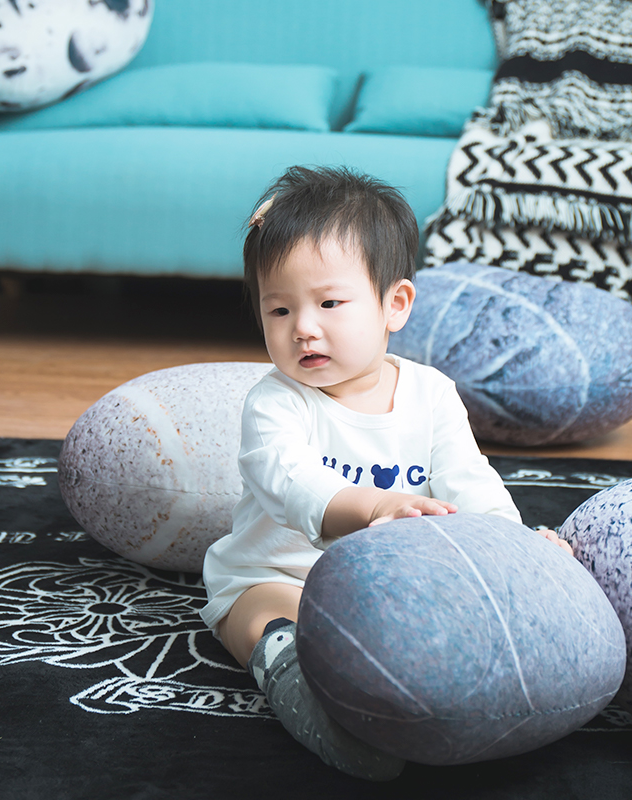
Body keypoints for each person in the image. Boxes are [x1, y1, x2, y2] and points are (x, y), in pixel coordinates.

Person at [199, 165, 572, 781]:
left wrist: (513, 549)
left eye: (329, 303)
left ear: (394, 304)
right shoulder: (276, 403)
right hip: (281, 574)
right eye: (279, 309)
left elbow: (468, 479)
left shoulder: (431, 393)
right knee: (265, 618)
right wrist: (373, 507)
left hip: (390, 586)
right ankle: (296, 684)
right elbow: (290, 481)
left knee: (433, 631)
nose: (303, 328)